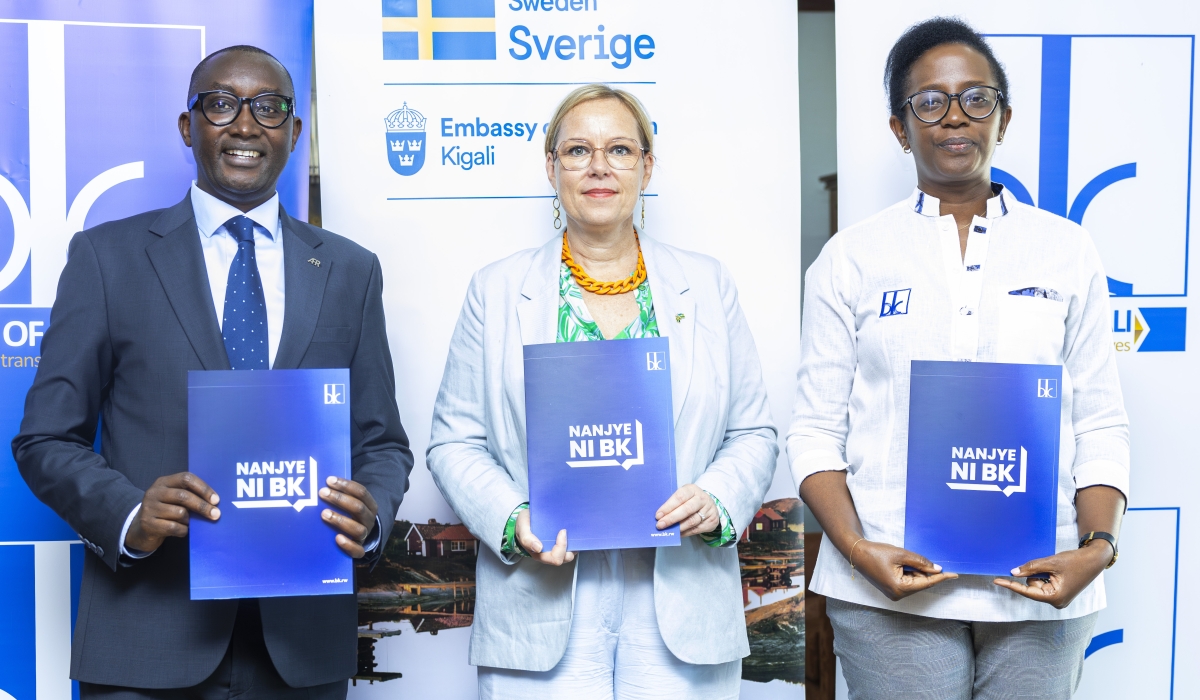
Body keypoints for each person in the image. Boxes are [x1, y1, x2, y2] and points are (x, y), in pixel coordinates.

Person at [13, 46, 412, 700]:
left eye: (269, 107)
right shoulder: (107, 259)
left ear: (294, 132)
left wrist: (370, 516)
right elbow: (45, 439)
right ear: (187, 126)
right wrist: (130, 514)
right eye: (222, 104)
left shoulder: (350, 270)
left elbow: (382, 443)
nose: (246, 125)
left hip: (302, 653)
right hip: (146, 646)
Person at [788, 17, 1129, 700]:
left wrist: (1096, 549)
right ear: (898, 126)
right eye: (930, 101)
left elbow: (1099, 421)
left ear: (1003, 117)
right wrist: (857, 554)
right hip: (889, 580)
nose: (955, 118)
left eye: (977, 98)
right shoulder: (852, 258)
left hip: (1039, 576)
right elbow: (814, 432)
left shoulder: (1066, 251)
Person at [427, 84, 778, 699]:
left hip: (681, 597)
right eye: (577, 150)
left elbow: (753, 432)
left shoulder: (708, 283)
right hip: (543, 596)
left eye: (618, 149)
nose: (598, 167)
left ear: (647, 165)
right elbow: (454, 443)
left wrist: (718, 499)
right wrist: (514, 521)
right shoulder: (497, 290)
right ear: (550, 166)